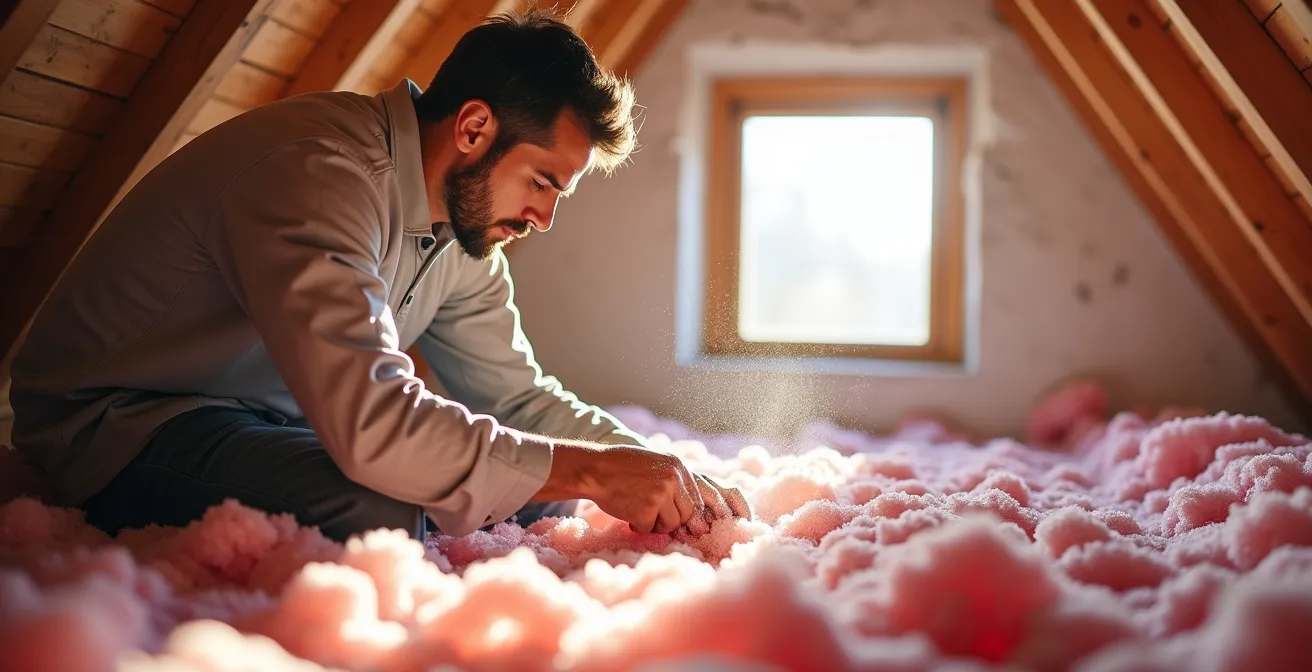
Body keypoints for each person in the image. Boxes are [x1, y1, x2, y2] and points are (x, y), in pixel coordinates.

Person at [7, 10, 751, 543]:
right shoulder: (318, 176)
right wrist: (585, 475)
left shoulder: (465, 233)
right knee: (387, 510)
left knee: (525, 490)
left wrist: (652, 468)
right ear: (473, 129)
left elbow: (518, 399)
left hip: (269, 415)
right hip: (124, 421)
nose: (544, 217)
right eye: (543, 182)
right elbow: (371, 426)